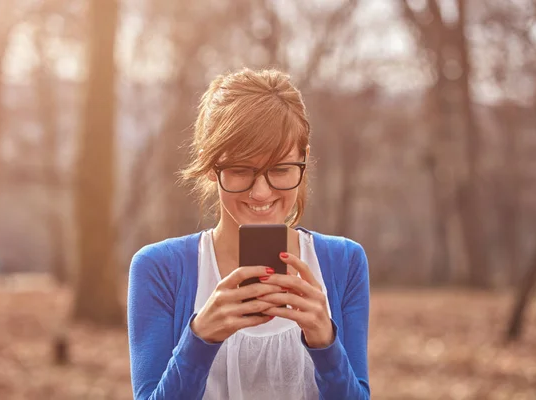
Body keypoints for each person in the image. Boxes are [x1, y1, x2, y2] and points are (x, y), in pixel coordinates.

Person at [127, 68, 371, 400]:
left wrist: (325, 342)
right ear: (211, 167)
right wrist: (199, 338)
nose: (261, 192)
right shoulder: (159, 269)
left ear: (304, 160)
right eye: (241, 170)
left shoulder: (344, 262)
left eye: (281, 169)